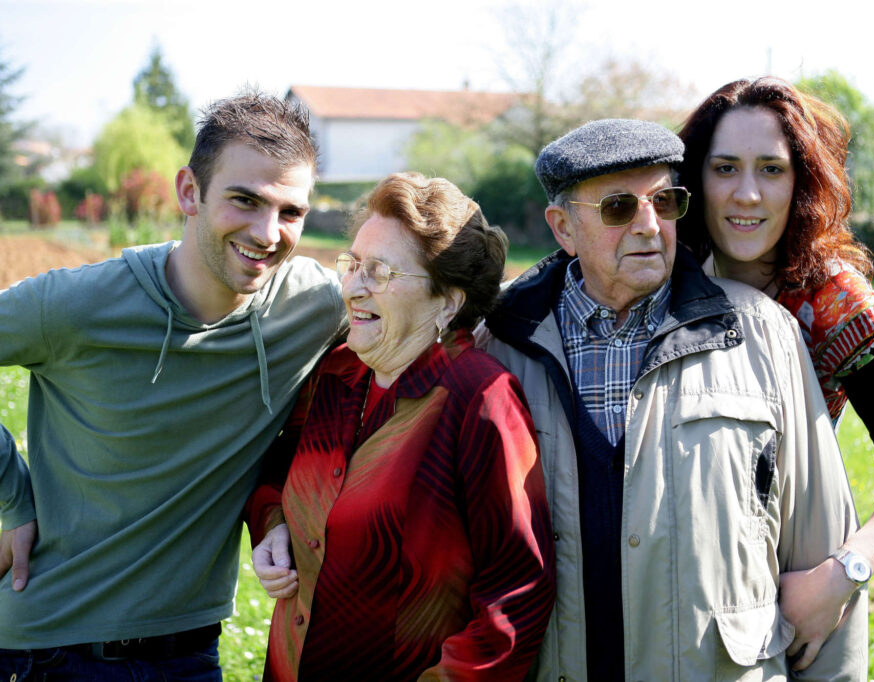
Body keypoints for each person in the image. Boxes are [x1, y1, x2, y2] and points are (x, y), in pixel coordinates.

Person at [479, 118, 867, 681]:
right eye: (618, 208)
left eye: (665, 202)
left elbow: (822, 539)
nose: (648, 226)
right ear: (563, 228)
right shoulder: (501, 344)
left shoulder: (763, 332)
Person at [0, 91, 346, 680]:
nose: (268, 234)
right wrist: (12, 498)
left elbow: (427, 305)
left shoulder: (313, 304)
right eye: (244, 200)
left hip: (191, 654)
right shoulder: (78, 305)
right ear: (190, 192)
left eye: (291, 212)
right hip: (53, 650)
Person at [677, 76, 874, 669]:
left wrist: (843, 574)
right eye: (725, 168)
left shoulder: (833, 300)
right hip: (681, 562)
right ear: (695, 178)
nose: (746, 193)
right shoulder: (663, 276)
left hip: (794, 560)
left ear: (803, 180)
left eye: (771, 170)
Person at [246, 172, 555, 681]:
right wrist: (273, 527)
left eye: (380, 272)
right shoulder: (336, 373)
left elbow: (518, 592)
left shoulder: (479, 399)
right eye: (353, 265)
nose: (353, 286)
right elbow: (276, 471)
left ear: (448, 300)